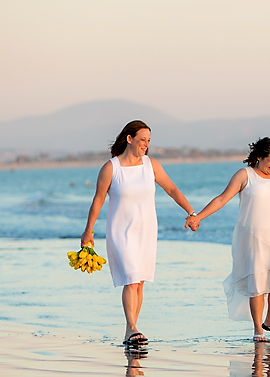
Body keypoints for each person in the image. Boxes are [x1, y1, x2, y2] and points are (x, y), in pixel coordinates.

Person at [185, 137, 270, 342]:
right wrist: (198, 217)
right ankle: (258, 329)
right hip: (254, 238)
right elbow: (221, 199)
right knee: (258, 283)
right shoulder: (245, 175)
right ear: (258, 157)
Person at [82, 120, 197, 345]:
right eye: (142, 140)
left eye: (149, 141)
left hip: (146, 230)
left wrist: (191, 212)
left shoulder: (150, 165)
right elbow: (98, 200)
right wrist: (89, 231)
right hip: (120, 231)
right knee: (131, 278)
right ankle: (132, 327)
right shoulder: (111, 168)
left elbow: (172, 189)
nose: (146, 144)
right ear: (129, 139)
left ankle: (130, 330)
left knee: (139, 281)